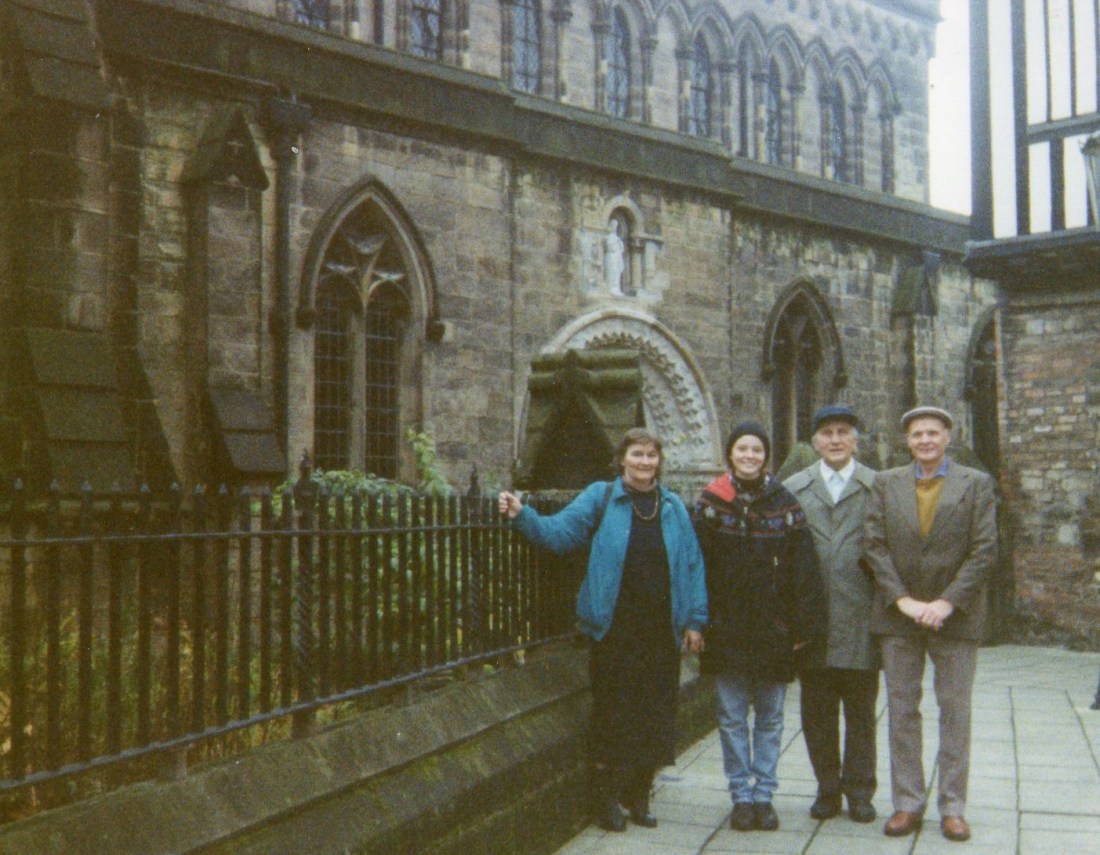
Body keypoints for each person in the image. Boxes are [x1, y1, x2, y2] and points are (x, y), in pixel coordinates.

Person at [498, 427, 707, 833]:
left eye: (651, 455)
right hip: (614, 629)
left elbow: (693, 563)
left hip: (661, 630)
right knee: (612, 715)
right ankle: (606, 798)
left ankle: (638, 795)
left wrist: (695, 621)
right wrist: (522, 516)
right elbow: (560, 534)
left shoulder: (674, 507)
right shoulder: (603, 497)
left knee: (655, 714)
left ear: (658, 461)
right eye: (637, 454)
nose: (645, 462)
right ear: (622, 459)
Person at [863, 406, 997, 843]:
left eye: (933, 433)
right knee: (902, 710)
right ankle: (907, 803)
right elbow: (874, 546)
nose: (925, 440)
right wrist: (901, 600)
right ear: (907, 441)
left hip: (954, 618)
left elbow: (984, 551)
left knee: (954, 711)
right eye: (917, 434)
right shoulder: (885, 484)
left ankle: (953, 807)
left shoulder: (975, 485)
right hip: (899, 618)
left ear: (948, 437)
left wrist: (946, 603)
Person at [693, 420, 825, 833]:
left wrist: (802, 625)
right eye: (742, 449)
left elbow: (804, 569)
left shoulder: (785, 504)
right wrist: (697, 621)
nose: (749, 456)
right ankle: (741, 797)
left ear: (766, 457)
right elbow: (695, 565)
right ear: (730, 454)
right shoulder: (711, 503)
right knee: (731, 718)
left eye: (757, 450)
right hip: (725, 629)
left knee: (770, 719)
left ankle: (765, 794)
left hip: (773, 630)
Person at [783, 405, 879, 825]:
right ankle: (827, 789)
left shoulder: (878, 486)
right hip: (813, 623)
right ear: (815, 442)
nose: (836, 440)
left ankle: (860, 791)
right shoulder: (794, 488)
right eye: (827, 433)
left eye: (844, 432)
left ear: (856, 438)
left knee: (861, 712)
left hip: (862, 620)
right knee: (817, 712)